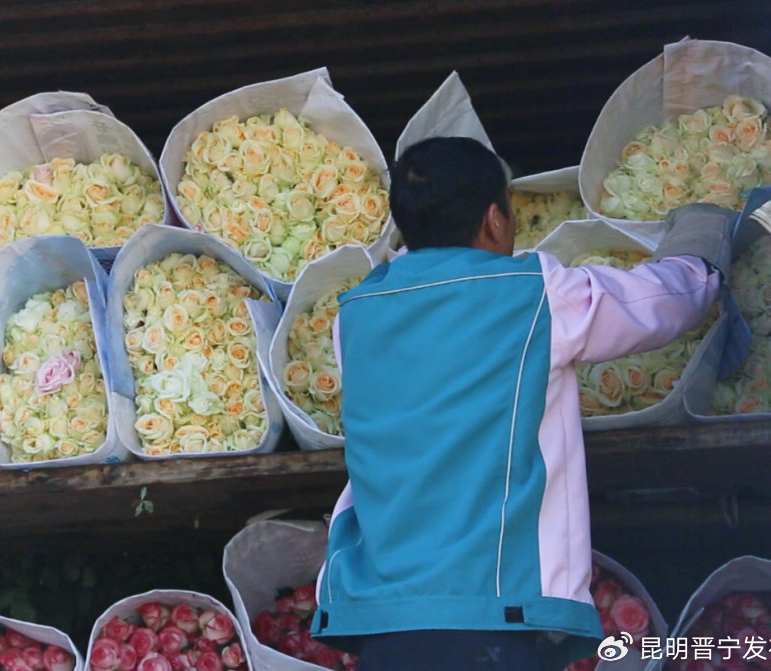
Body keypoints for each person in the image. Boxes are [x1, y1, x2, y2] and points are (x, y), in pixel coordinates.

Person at [309, 136, 736, 670]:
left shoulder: (356, 313)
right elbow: (659, 305)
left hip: (381, 616)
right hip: (486, 610)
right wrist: (704, 243)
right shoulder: (529, 293)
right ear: (494, 219)